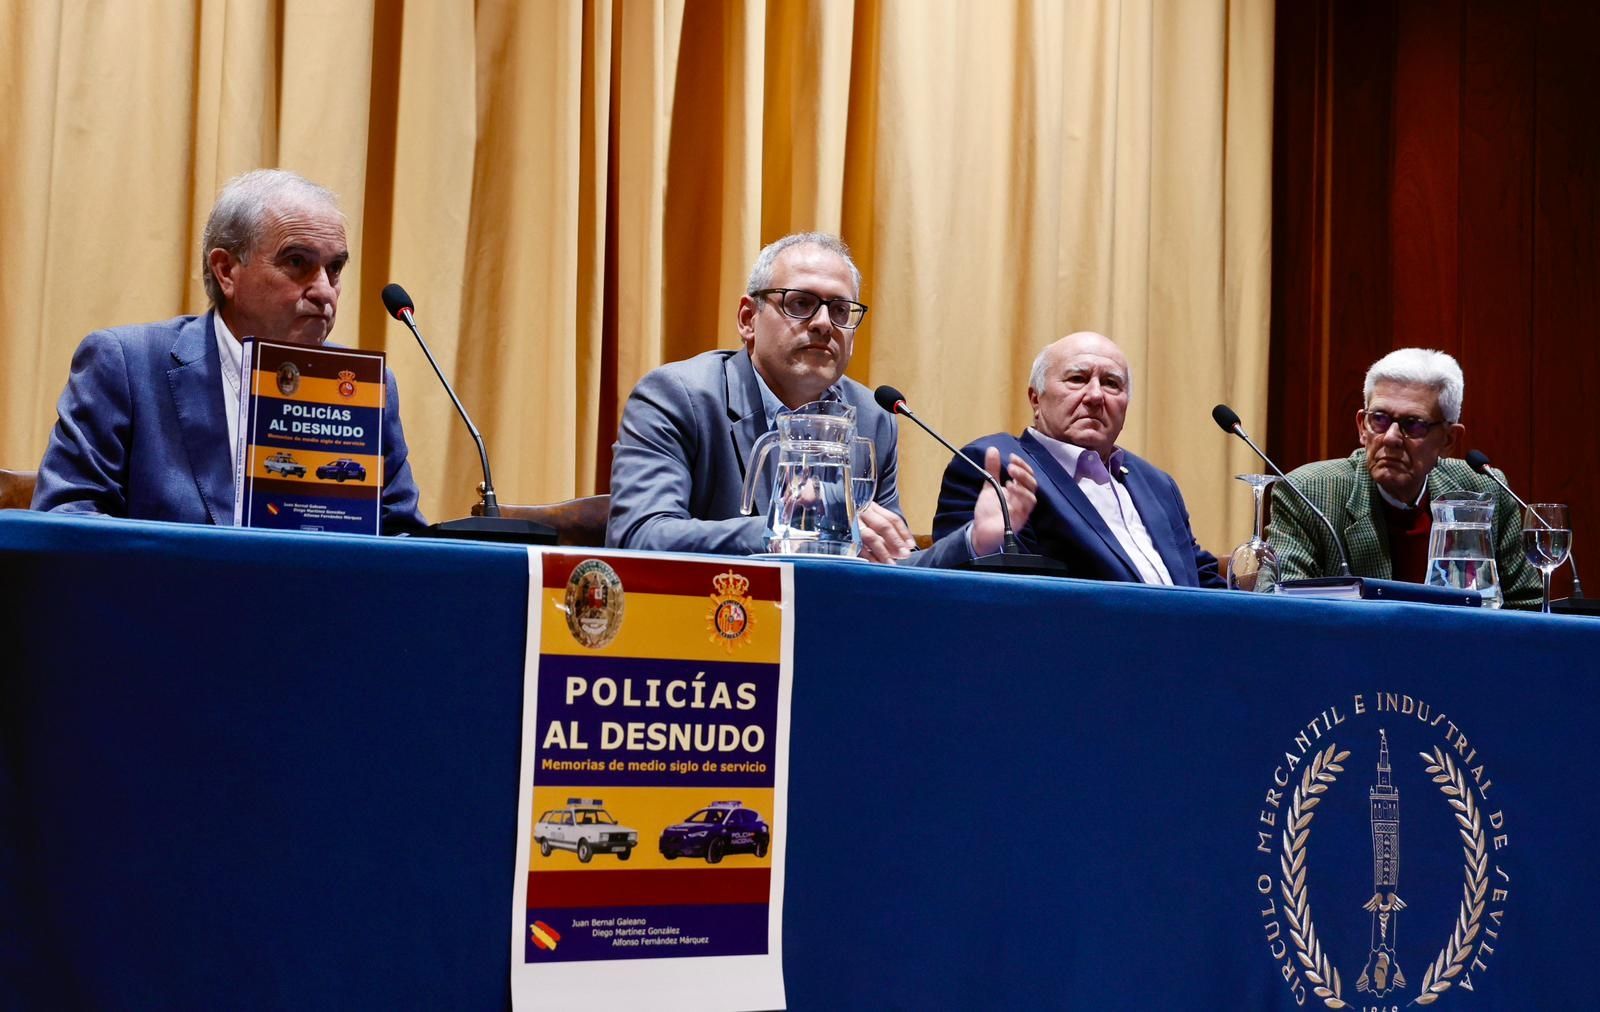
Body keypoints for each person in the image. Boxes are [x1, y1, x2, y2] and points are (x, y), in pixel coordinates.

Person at [606, 231, 1035, 565]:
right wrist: (784, 534)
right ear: (747, 319)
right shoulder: (680, 396)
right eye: (801, 303)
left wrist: (972, 542)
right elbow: (639, 536)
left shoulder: (872, 416)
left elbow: (893, 561)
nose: (824, 324)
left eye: (840, 310)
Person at [33, 169, 425, 533]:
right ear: (226, 270)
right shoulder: (125, 366)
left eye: (334, 268)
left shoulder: (363, 388)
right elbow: (68, 523)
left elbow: (402, 536)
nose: (324, 290)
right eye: (296, 262)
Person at [931, 331, 1223, 587]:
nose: (1095, 395)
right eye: (1077, 379)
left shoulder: (1157, 484)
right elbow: (982, 590)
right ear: (1036, 398)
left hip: (1190, 639)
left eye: (1111, 383)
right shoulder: (997, 465)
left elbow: (1196, 574)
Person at [1267, 347, 1539, 609]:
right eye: (1380, 420)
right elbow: (1278, 606)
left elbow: (1527, 606)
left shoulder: (1484, 490)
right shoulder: (1309, 492)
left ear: (1448, 439)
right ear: (1362, 427)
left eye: (1414, 424)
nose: (1391, 438)